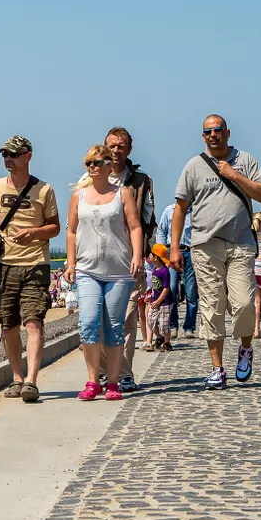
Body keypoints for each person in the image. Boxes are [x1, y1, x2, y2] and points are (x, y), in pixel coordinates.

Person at [170, 114, 261, 390]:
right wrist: (175, 246)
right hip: (205, 245)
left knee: (243, 305)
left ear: (227, 132)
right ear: (203, 136)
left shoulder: (246, 160)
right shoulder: (193, 166)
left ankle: (246, 349)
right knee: (212, 308)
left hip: (240, 243)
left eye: (217, 130)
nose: (213, 135)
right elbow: (180, 208)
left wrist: (234, 176)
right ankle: (217, 369)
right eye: (207, 131)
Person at [0, 135, 61, 403]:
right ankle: (17, 378)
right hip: (5, 266)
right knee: (8, 324)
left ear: (28, 155)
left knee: (33, 321)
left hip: (35, 263)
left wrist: (34, 232)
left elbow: (55, 227)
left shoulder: (44, 190)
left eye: (13, 154)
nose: (8, 159)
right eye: (4, 155)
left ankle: (31, 381)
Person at [64, 143, 143, 401]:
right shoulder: (79, 196)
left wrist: (138, 256)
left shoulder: (124, 194)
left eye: (97, 162)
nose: (92, 167)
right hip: (87, 269)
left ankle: (112, 382)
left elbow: (134, 227)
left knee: (114, 327)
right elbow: (72, 230)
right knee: (88, 323)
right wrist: (70, 263)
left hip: (118, 271)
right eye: (89, 163)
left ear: (110, 165)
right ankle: (92, 380)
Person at [91, 127, 156, 393]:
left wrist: (140, 252)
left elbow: (148, 218)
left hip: (130, 259)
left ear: (129, 149)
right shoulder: (91, 177)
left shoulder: (140, 181)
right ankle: (107, 372)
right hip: (97, 259)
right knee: (101, 319)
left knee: (126, 318)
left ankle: (125, 372)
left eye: (121, 146)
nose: (116, 151)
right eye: (112, 146)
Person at [155, 201, 196, 338]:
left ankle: (189, 326)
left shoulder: (196, 210)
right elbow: (161, 232)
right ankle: (172, 326)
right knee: (171, 290)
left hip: (190, 252)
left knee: (191, 292)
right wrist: (161, 256)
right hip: (171, 252)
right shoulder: (168, 210)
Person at [146, 245, 174, 350]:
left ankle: (167, 343)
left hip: (165, 301)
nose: (149, 255)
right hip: (155, 300)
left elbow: (166, 289)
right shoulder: (155, 269)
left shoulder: (164, 271)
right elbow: (155, 286)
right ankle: (159, 337)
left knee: (164, 323)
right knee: (150, 320)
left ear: (156, 257)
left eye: (151, 254)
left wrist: (158, 301)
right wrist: (151, 297)